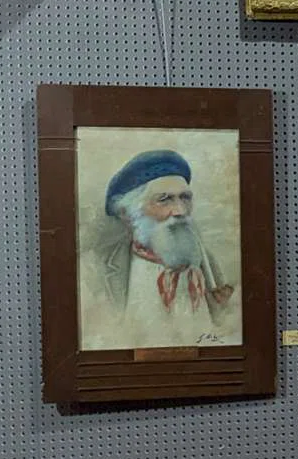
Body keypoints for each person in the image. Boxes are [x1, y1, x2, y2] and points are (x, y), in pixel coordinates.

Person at [88, 149, 235, 347]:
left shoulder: (208, 262)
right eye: (164, 199)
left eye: (185, 197)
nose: (180, 211)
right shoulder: (96, 269)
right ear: (127, 213)